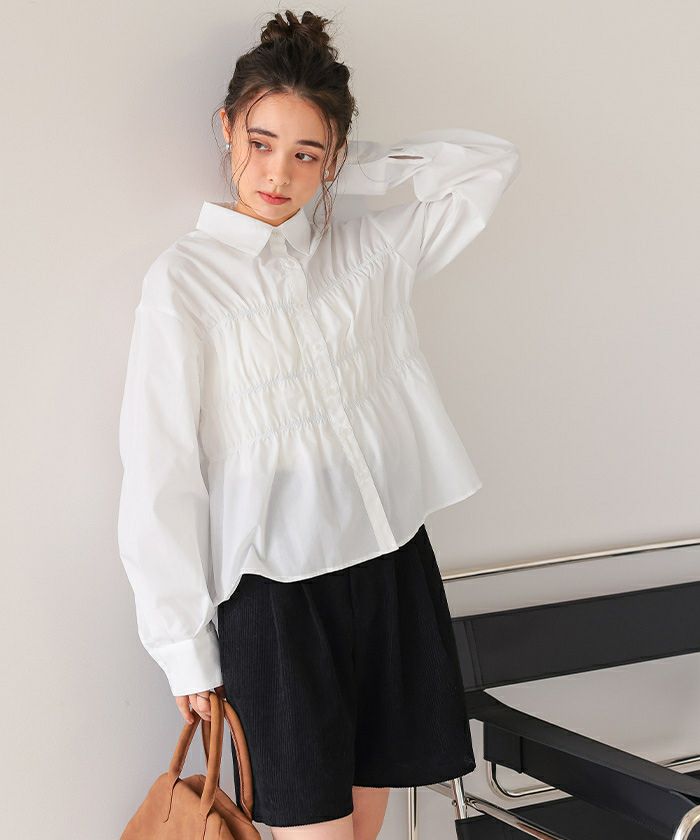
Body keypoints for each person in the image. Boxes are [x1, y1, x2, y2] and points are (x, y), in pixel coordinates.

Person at [117, 8, 521, 839]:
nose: (277, 173)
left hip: (389, 568)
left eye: (305, 153)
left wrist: (346, 165)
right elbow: (160, 470)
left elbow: (489, 166)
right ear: (226, 128)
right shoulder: (185, 283)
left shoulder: (364, 253)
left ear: (333, 158)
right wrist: (181, 646)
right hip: (277, 599)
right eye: (261, 142)